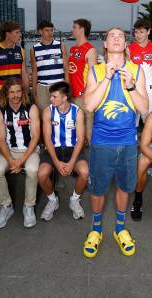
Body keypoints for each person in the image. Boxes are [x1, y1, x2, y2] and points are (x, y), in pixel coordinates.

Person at [82, 27, 148, 258]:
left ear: (126, 44)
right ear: (106, 45)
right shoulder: (95, 70)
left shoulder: (137, 70)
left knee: (124, 187)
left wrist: (130, 85)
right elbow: (88, 106)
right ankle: (96, 229)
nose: (117, 38)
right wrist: (108, 77)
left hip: (128, 142)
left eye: (121, 35)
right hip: (101, 142)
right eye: (112, 35)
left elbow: (144, 108)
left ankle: (120, 228)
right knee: (98, 189)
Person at [0, 78, 41, 229]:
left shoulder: (31, 108)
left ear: (23, 92)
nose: (16, 95)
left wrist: (21, 160)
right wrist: (11, 161)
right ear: (6, 93)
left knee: (32, 170)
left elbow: (36, 136)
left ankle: (29, 206)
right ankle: (6, 207)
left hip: (29, 150)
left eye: (18, 91)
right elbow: (0, 139)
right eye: (12, 92)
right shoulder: (0, 111)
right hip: (9, 150)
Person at [38, 81, 88, 221]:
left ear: (64, 97)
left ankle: (74, 200)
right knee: (42, 174)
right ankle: (53, 200)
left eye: (54, 96)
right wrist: (56, 162)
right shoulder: (48, 111)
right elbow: (47, 139)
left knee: (84, 172)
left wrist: (72, 162)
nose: (50, 99)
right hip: (54, 149)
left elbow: (80, 139)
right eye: (51, 96)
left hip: (73, 148)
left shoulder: (77, 112)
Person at [0, 20, 29, 105]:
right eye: (17, 32)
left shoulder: (21, 51)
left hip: (17, 97)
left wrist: (26, 94)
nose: (20, 35)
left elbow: (24, 74)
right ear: (8, 34)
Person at [68, 18, 97, 143]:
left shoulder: (90, 50)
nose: (72, 29)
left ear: (82, 30)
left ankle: (95, 161)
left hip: (83, 97)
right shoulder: (73, 49)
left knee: (88, 134)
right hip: (71, 96)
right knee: (75, 133)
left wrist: (86, 94)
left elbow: (93, 75)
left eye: (74, 27)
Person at [30, 20, 69, 110]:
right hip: (42, 88)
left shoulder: (61, 46)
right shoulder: (34, 49)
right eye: (47, 30)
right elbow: (35, 71)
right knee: (44, 115)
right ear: (40, 31)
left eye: (51, 30)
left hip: (59, 86)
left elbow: (66, 69)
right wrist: (35, 90)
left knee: (61, 113)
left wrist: (67, 87)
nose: (50, 33)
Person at [127, 19, 152, 121]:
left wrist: (146, 86)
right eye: (136, 32)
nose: (138, 35)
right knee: (132, 120)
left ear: (148, 31)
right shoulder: (128, 48)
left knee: (151, 120)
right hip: (133, 88)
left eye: (141, 32)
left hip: (148, 88)